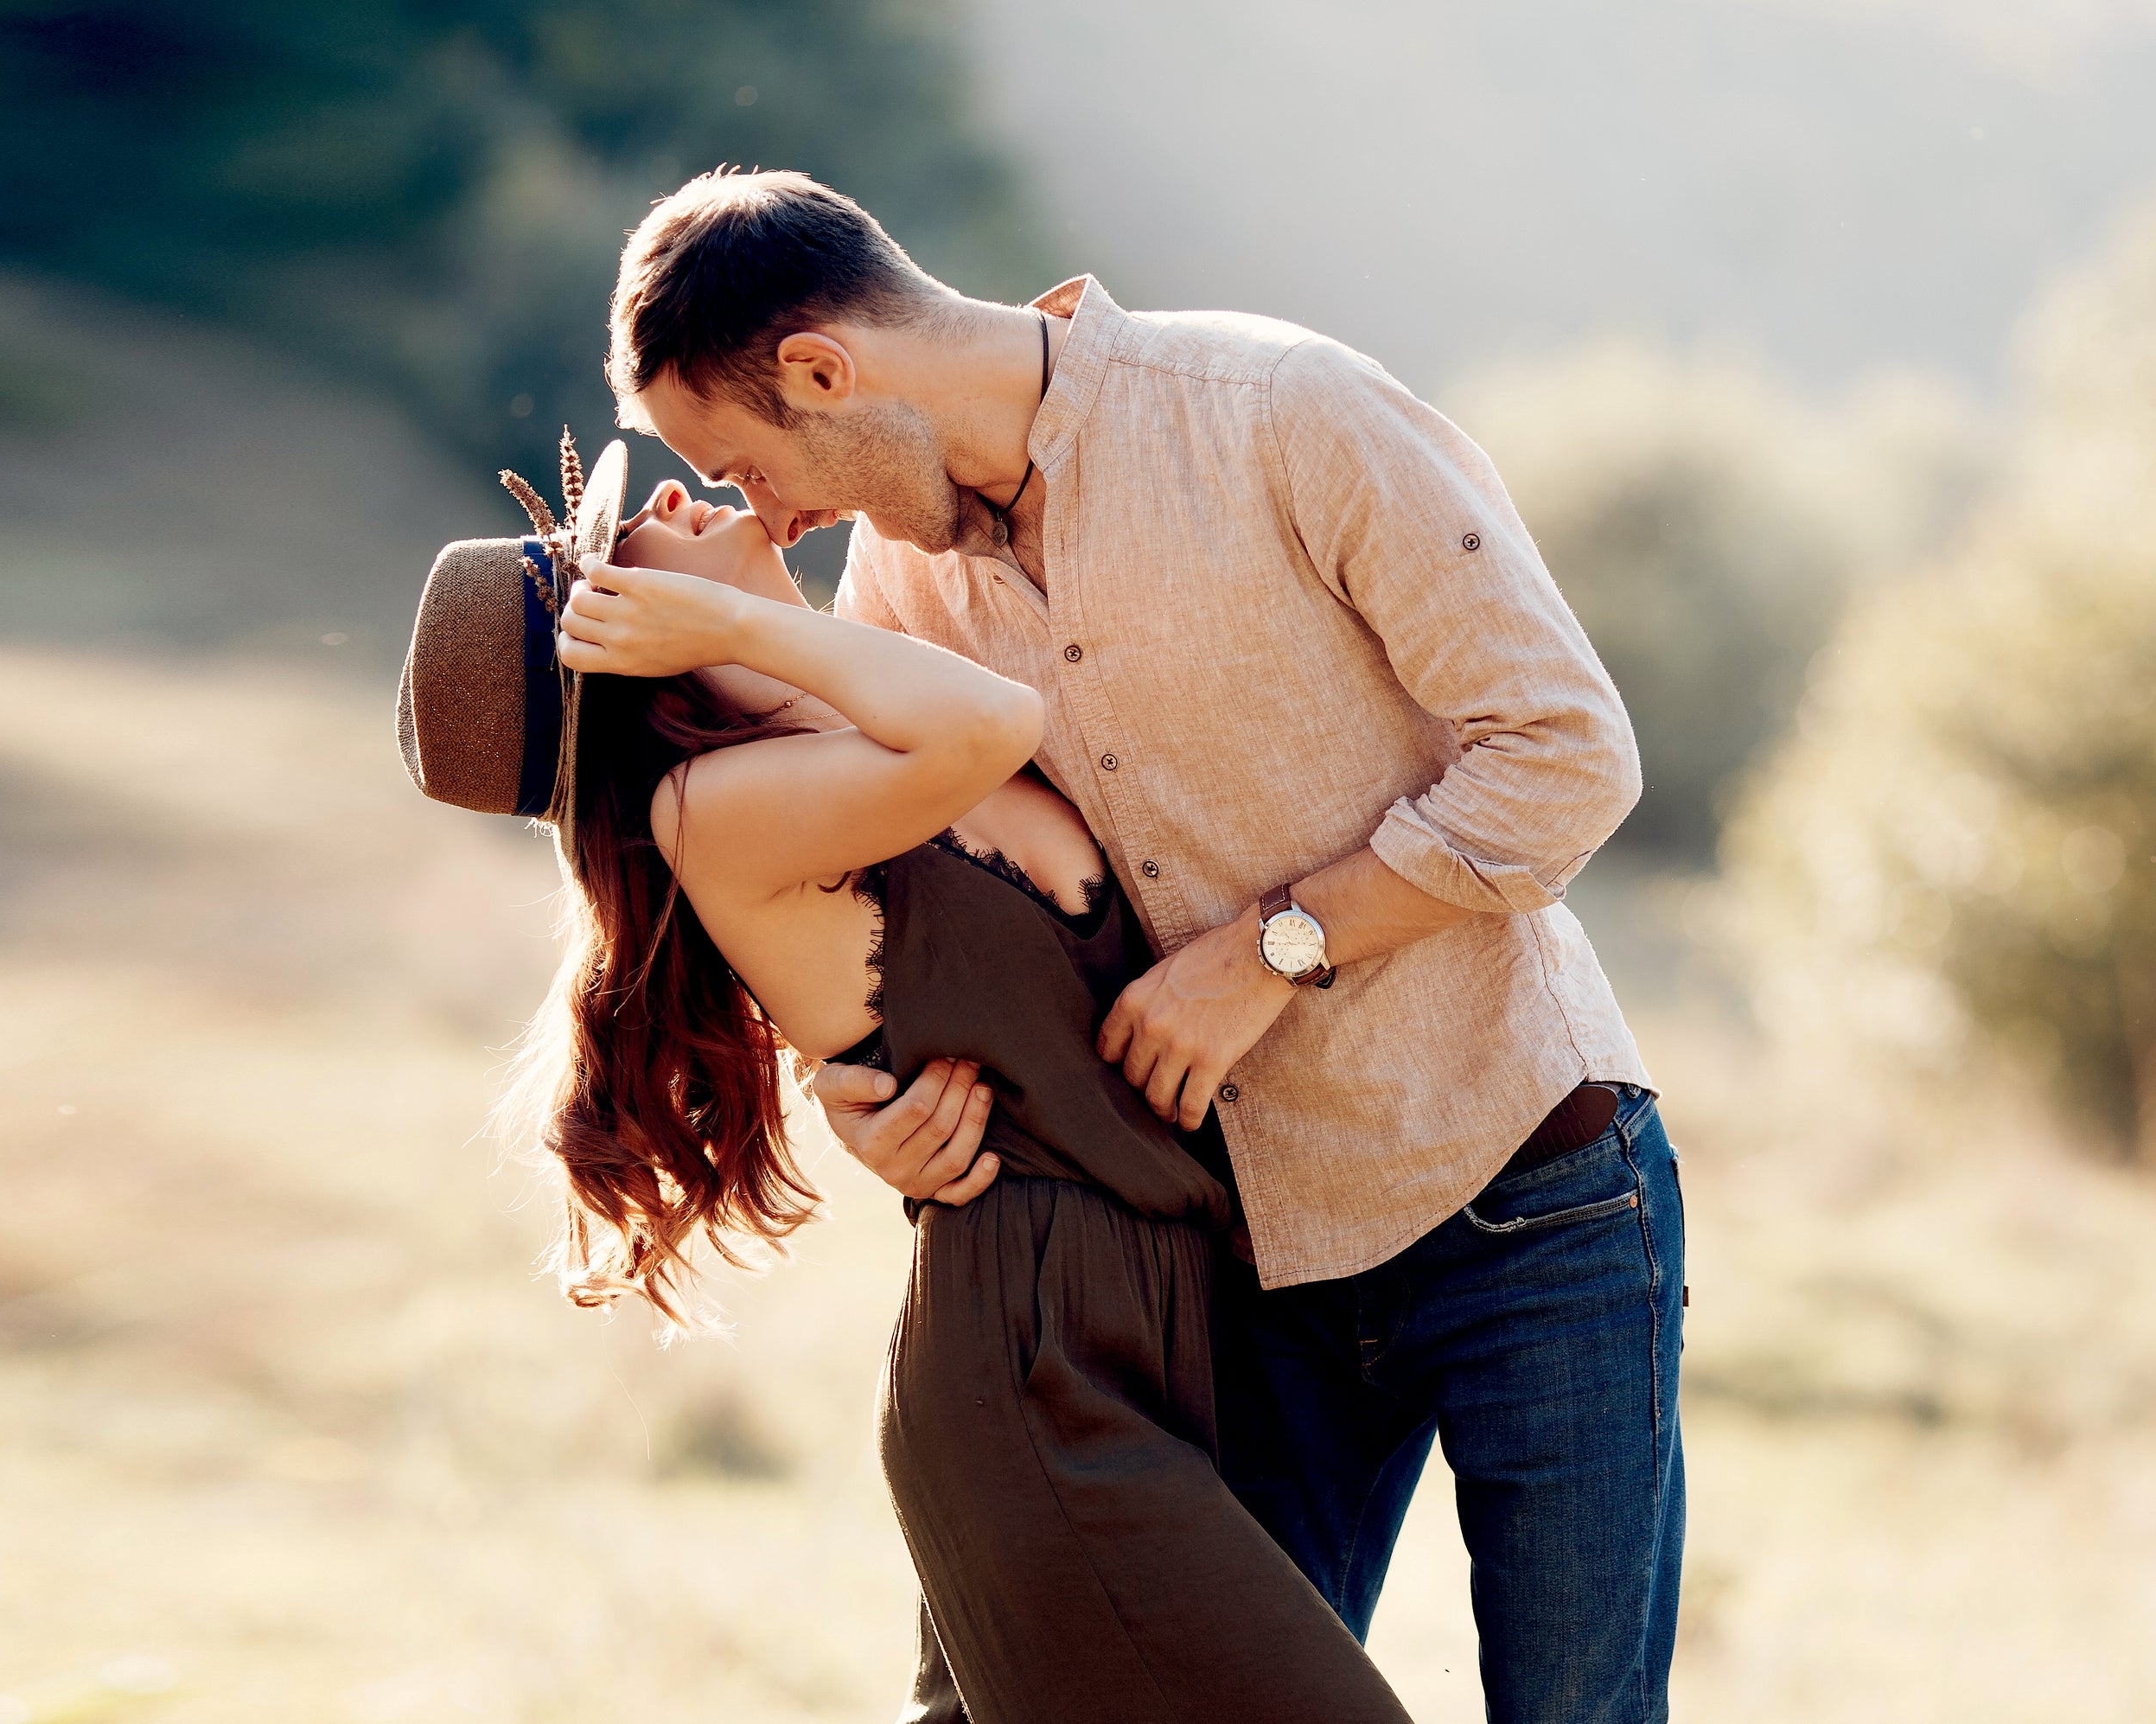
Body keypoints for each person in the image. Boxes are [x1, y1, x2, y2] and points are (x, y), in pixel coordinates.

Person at [602, 169, 1684, 1724]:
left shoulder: (1285, 411)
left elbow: (1569, 753)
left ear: (824, 371)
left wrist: (1276, 947)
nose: (758, 516)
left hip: (1527, 1192)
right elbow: (929, 903)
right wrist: (861, 1090)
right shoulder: (899, 586)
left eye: (741, 465)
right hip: (1234, 1268)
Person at [394, 439, 1411, 1723]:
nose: (663, 491)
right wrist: (726, 618)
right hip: (1034, 1359)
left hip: (1171, 1331)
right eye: (617, 558)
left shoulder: (849, 736)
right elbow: (996, 726)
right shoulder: (710, 811)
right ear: (621, 655)